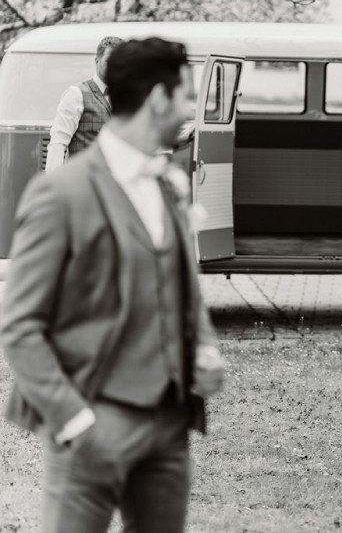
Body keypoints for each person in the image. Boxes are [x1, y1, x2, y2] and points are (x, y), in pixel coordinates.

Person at [1, 37, 225, 532]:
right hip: (92, 425)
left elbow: (183, 289)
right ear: (159, 99)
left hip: (169, 430)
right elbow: (19, 328)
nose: (192, 109)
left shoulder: (168, 185)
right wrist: (78, 423)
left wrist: (204, 349)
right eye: (187, 96)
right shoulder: (60, 194)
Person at [45, 36, 123, 172]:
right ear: (97, 61)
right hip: (82, 183)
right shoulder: (76, 94)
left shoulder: (126, 97)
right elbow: (58, 144)